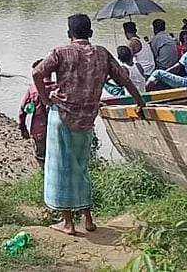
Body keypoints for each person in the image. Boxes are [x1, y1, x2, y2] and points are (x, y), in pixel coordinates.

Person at [33, 14, 146, 236]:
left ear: (69, 34)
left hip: (62, 116)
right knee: (81, 168)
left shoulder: (61, 52)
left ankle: (67, 223)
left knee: (61, 169)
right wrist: (140, 103)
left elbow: (37, 73)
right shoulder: (102, 53)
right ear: (91, 34)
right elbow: (125, 78)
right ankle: (88, 219)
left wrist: (45, 98)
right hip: (87, 119)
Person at [18, 59, 52, 167]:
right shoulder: (57, 88)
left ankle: (44, 180)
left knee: (41, 158)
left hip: (39, 131)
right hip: (57, 132)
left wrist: (23, 128)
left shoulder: (33, 89)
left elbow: (22, 111)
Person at [123, 21, 154, 87]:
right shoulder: (141, 39)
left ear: (125, 32)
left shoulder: (133, 42)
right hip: (150, 67)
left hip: (145, 69)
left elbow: (128, 60)